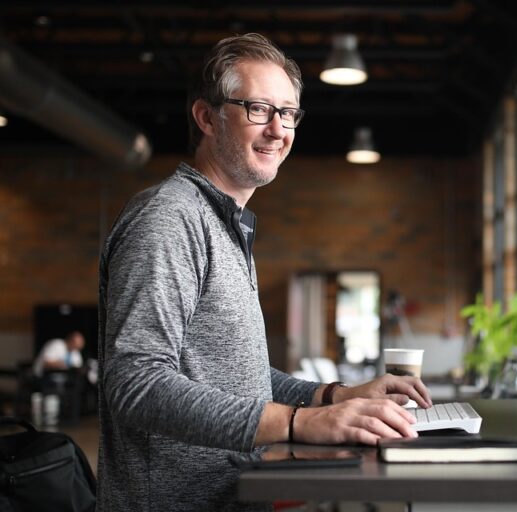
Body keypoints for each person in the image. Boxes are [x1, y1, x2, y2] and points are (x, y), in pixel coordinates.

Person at [97, 33, 433, 511]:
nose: (278, 129)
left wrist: (334, 395)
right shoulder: (169, 219)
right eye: (258, 108)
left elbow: (239, 379)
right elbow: (135, 384)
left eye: (288, 113)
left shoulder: (225, 224)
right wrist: (297, 422)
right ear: (206, 117)